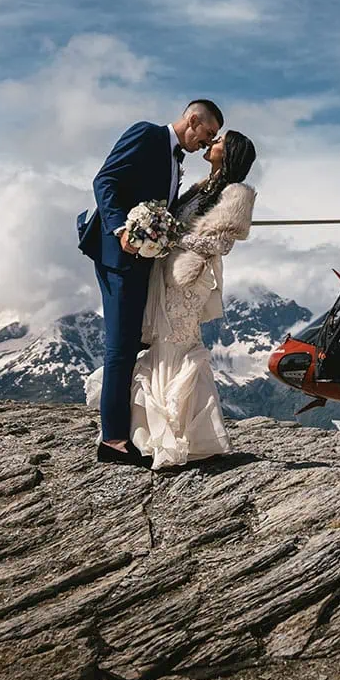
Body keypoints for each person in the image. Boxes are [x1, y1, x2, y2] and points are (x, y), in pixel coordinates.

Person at [77, 100, 222, 466]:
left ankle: (124, 433)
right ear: (192, 120)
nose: (204, 144)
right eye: (205, 135)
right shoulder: (146, 134)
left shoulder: (177, 161)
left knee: (131, 343)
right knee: (120, 347)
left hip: (142, 261)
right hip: (119, 256)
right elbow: (105, 180)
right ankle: (112, 441)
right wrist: (121, 228)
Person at [127, 130, 258, 468]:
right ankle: (164, 435)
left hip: (191, 278)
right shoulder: (202, 187)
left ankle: (178, 435)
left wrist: (173, 237)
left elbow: (220, 245)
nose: (211, 143)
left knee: (179, 344)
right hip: (168, 275)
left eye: (219, 141)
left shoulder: (237, 194)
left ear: (228, 153)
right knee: (164, 343)